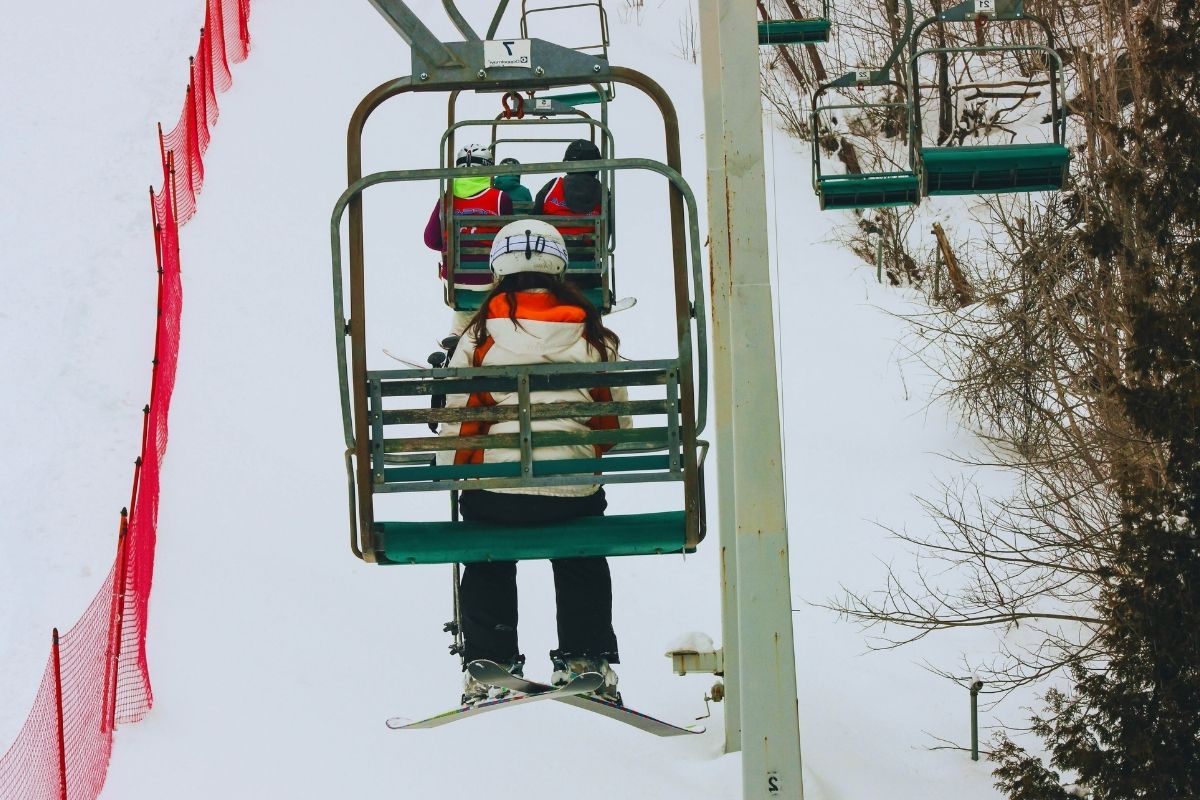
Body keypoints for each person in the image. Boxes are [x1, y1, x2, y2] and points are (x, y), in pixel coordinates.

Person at [437, 219, 628, 707]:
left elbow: (459, 422)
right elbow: (616, 426)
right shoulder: (593, 334)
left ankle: (492, 665)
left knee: (488, 556)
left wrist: (463, 466)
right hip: (572, 499)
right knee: (581, 553)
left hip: (497, 497)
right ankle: (586, 660)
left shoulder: (480, 336)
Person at [424, 144, 513, 333]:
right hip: (492, 279)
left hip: (454, 279)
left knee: (464, 304)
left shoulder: (446, 199)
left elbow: (431, 240)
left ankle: (456, 339)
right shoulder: (500, 199)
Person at [532, 139, 610, 236]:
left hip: (552, 247)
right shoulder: (602, 192)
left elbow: (534, 218)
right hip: (588, 248)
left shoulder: (553, 186)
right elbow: (607, 228)